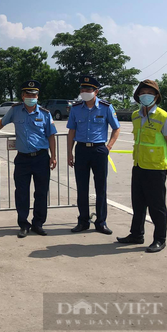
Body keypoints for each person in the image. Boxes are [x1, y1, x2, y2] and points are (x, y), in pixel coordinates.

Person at [0, 80, 57, 238]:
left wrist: (54, 156)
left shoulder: (45, 113)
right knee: (21, 193)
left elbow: (51, 136)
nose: (31, 97)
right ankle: (23, 224)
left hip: (41, 158)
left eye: (34, 94)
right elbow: (1, 122)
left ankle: (38, 223)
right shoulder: (15, 110)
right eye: (28, 94)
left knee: (41, 193)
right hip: (22, 159)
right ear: (23, 96)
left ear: (38, 96)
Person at [117, 79, 167, 253]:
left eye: (149, 93)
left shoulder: (164, 117)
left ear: (156, 96)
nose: (145, 96)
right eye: (142, 93)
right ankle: (136, 234)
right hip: (139, 165)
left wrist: (158, 157)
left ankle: (159, 239)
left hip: (156, 168)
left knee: (157, 206)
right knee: (138, 204)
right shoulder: (136, 116)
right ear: (138, 96)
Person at [67, 76, 120, 235]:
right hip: (81, 150)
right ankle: (83, 221)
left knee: (101, 188)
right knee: (82, 188)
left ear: (96, 91)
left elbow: (116, 128)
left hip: (99, 150)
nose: (85, 92)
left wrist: (109, 146)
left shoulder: (106, 107)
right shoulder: (76, 108)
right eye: (82, 90)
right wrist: (69, 152)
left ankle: (101, 222)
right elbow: (71, 131)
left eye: (88, 90)